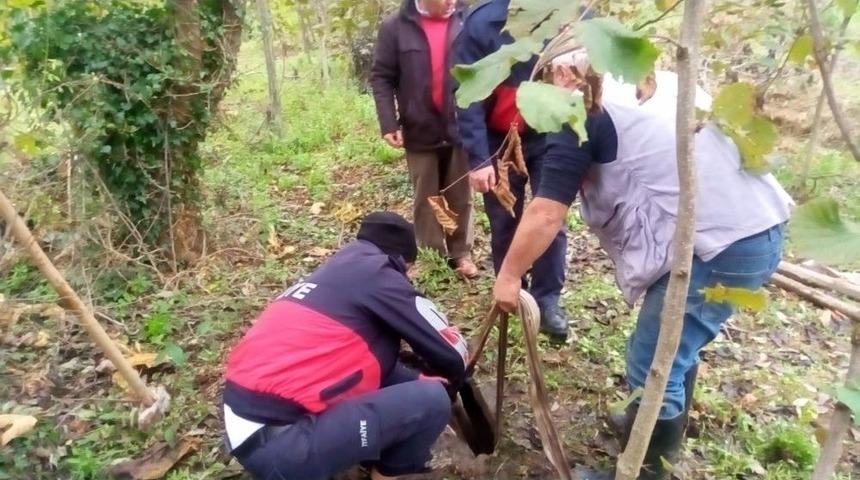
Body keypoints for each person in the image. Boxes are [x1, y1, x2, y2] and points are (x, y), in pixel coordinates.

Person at [492, 51, 794, 479]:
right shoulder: (661, 82)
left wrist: (507, 275)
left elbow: (545, 213)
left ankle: (645, 471)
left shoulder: (582, 111)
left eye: (545, 82)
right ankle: (650, 425)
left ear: (562, 74)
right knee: (671, 347)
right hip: (753, 228)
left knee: (652, 360)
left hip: (718, 245)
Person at [223, 212, 469, 480]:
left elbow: (369, 363)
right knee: (432, 401)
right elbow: (452, 354)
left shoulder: (337, 273)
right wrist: (451, 382)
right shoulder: (379, 273)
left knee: (414, 385)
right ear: (402, 262)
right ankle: (386, 474)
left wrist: (416, 378)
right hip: (285, 447)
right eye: (408, 271)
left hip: (248, 427)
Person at [455, 0, 571, 341]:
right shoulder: (482, 23)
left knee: (550, 217)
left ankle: (547, 299)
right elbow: (467, 93)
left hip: (550, 131)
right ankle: (512, 289)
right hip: (498, 136)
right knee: (505, 215)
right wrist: (478, 159)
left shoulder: (569, 14)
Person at [371, 0, 477, 279]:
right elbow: (382, 77)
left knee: (461, 193)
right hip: (419, 125)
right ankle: (432, 255)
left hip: (461, 123)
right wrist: (388, 122)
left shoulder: (469, 19)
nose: (449, 1)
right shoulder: (395, 26)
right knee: (426, 194)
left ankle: (461, 253)